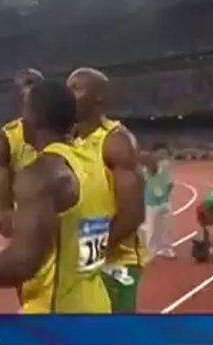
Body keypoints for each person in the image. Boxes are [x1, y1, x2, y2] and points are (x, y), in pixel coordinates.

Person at [0, 80, 113, 313]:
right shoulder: (93, 159)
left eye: (25, 109)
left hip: (55, 316)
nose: (21, 118)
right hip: (96, 304)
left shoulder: (43, 173)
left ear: (36, 118)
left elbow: (23, 262)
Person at [68, 67, 147, 313]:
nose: (68, 96)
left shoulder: (116, 141)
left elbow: (133, 214)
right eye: (67, 89)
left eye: (77, 89)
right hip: (78, 260)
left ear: (99, 96)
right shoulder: (66, 141)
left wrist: (87, 257)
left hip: (115, 263)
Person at [0, 69, 44, 238]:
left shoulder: (69, 129)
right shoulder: (5, 137)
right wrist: (4, 211)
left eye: (33, 84)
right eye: (26, 85)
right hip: (29, 220)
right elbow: (1, 179)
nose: (29, 90)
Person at [142, 142, 175, 261]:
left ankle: (167, 248)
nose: (163, 155)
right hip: (151, 202)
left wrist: (168, 193)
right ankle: (150, 251)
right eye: (161, 153)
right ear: (154, 153)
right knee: (150, 228)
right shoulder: (146, 167)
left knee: (167, 226)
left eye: (165, 153)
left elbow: (170, 182)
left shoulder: (166, 166)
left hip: (165, 201)